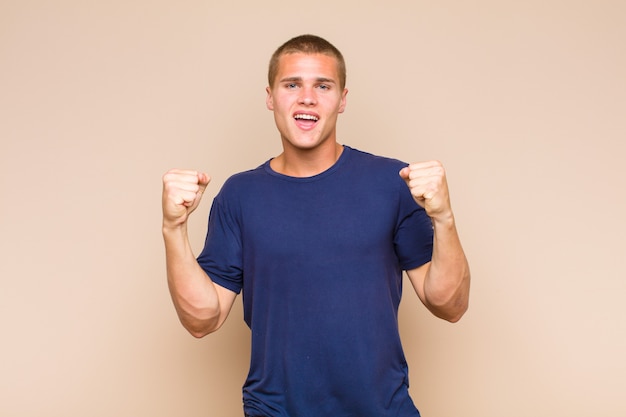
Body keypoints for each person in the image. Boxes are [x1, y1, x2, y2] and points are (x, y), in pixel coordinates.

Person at [162, 34, 470, 417]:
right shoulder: (239, 194)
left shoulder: (393, 182)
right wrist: (173, 229)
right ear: (271, 96)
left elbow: (450, 305)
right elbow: (201, 319)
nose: (306, 97)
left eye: (322, 86)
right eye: (292, 84)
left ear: (342, 99)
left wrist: (444, 218)